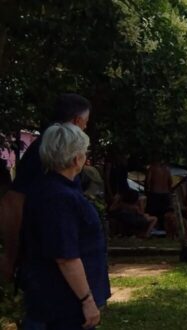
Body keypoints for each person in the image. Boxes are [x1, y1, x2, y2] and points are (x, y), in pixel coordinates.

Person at [18, 123, 109, 329]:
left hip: (59, 299)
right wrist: (86, 299)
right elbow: (66, 256)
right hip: (62, 303)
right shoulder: (58, 196)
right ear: (76, 158)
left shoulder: (55, 188)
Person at [0, 93, 91, 282]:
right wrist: (11, 254)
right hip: (48, 259)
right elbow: (13, 201)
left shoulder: (64, 155)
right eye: (85, 122)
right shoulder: (45, 150)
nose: (86, 128)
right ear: (76, 121)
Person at [145, 159, 177, 239]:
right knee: (165, 214)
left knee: (153, 213)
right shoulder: (167, 169)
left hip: (155, 193)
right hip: (165, 194)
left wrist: (147, 191)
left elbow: (148, 181)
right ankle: (166, 231)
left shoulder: (152, 168)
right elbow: (170, 182)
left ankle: (153, 231)